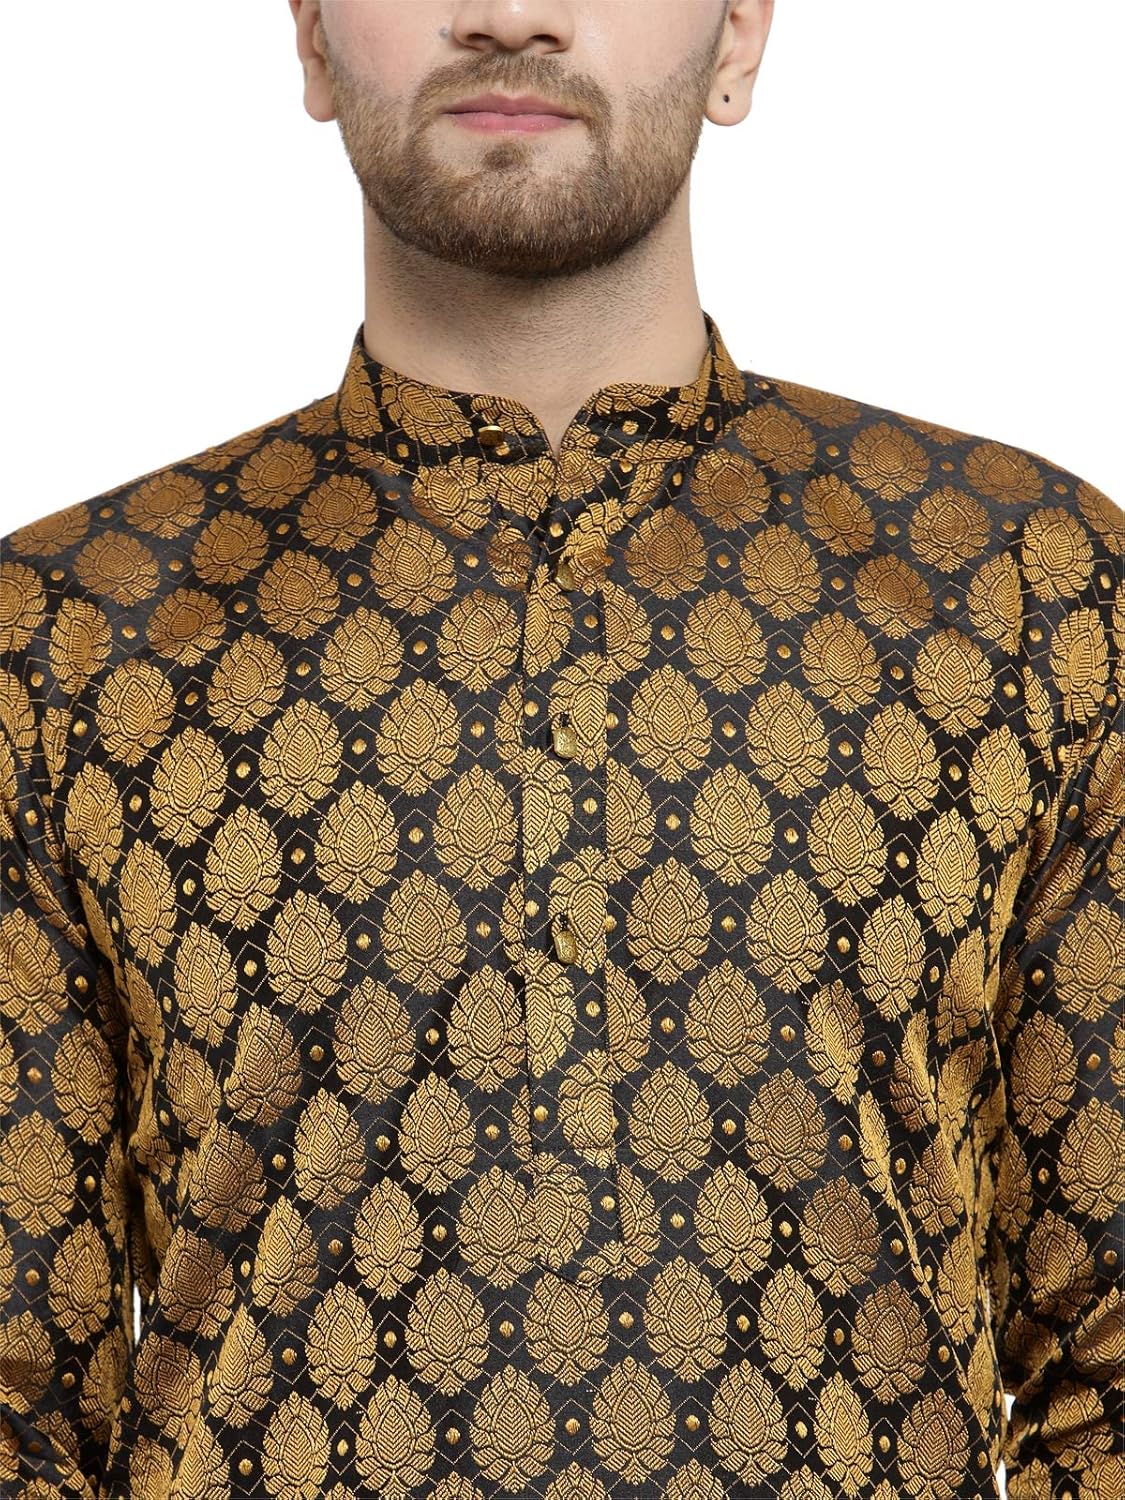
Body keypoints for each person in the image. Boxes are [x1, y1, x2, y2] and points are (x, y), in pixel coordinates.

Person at [1, 2, 1121, 1495]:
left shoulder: (1033, 593)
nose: (510, 12)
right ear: (313, 38)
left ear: (739, 36)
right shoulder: (69, 638)